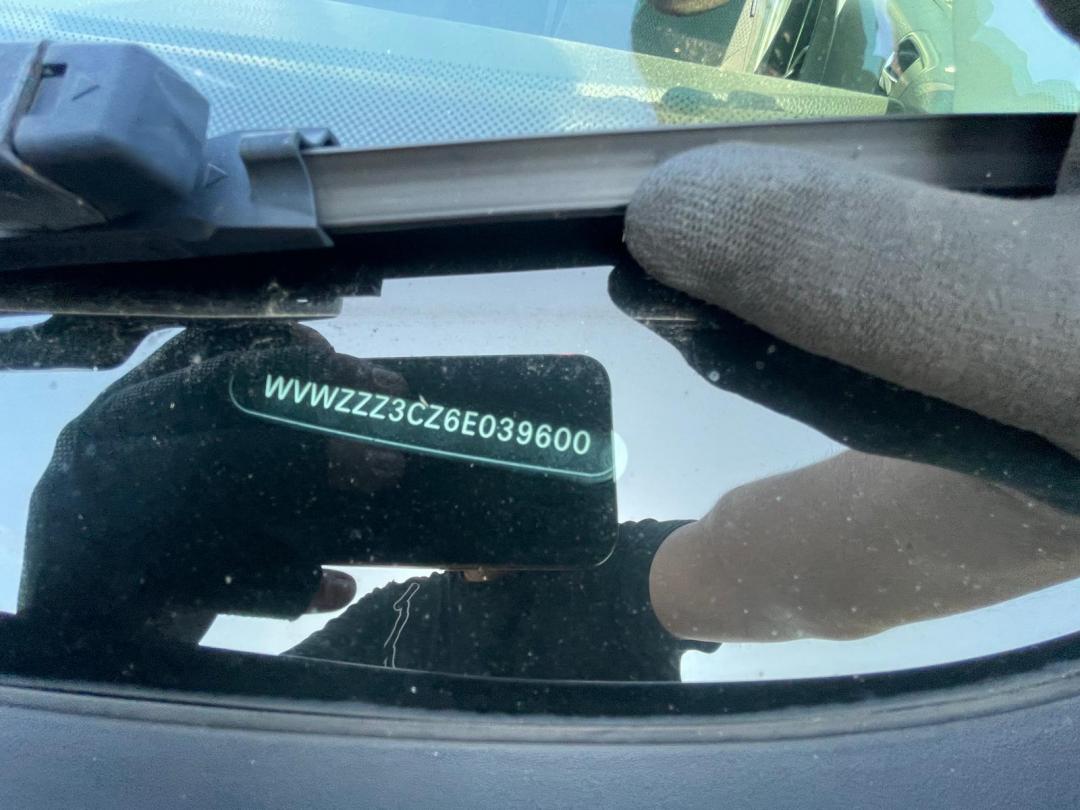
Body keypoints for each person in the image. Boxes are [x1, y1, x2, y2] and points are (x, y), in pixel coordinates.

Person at [17, 0, 1080, 683]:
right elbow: (161, 752)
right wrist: (102, 616)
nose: (447, 461)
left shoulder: (579, 586)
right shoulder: (364, 638)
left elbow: (765, 566)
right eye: (431, 446)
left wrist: (1048, 476)